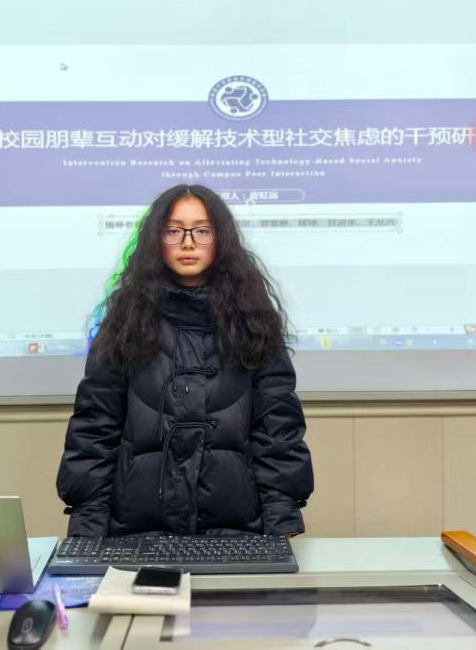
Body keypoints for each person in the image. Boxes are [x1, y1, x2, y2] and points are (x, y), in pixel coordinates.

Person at [57, 184, 313, 537]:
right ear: (156, 239)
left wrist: (281, 519)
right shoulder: (125, 321)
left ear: (221, 239)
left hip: (237, 531)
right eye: (174, 231)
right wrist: (88, 525)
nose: (188, 242)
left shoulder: (253, 322)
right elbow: (95, 428)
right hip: (137, 533)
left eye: (202, 230)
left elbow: (277, 431)